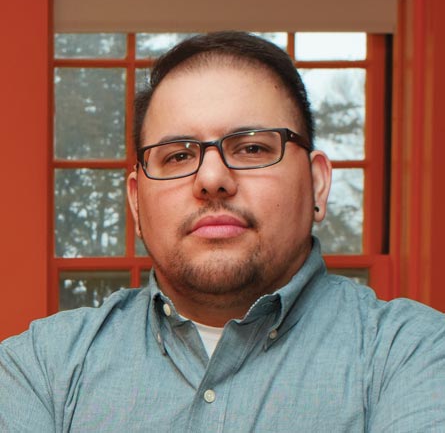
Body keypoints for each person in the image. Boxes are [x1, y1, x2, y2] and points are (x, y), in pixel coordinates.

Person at [1, 31, 445, 432]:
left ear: (318, 184)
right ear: (136, 202)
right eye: (177, 156)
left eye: (252, 148)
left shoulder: (414, 353)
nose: (212, 179)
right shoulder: (40, 369)